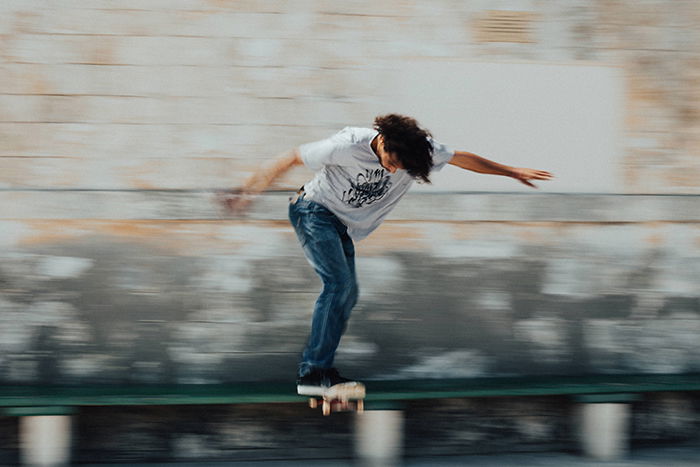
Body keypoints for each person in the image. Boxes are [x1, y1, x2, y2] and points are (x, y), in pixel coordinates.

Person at [222, 114, 552, 396]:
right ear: (383, 141)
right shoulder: (346, 144)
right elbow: (289, 158)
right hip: (313, 211)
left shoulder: (421, 150)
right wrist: (247, 192)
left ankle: (321, 369)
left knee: (348, 293)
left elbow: (463, 158)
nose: (394, 171)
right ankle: (313, 374)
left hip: (341, 224)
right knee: (338, 286)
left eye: (401, 168)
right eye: (392, 162)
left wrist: (511, 171)